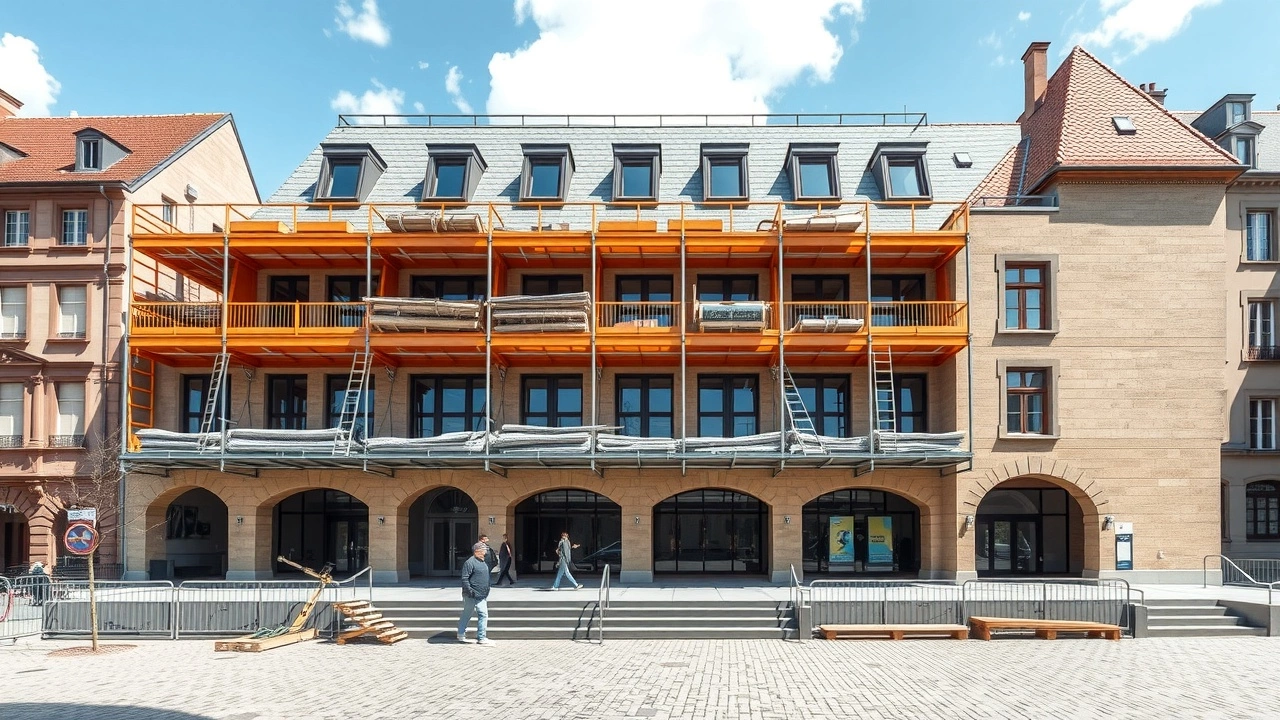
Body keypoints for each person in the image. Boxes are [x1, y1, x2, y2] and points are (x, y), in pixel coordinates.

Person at [457, 542, 495, 645]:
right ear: (477, 551)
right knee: (467, 614)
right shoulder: (470, 562)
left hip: (482, 594)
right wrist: (470, 591)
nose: (485, 551)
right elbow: (465, 578)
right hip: (471, 594)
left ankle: (481, 637)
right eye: (483, 549)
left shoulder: (483, 562)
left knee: (483, 614)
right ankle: (461, 634)